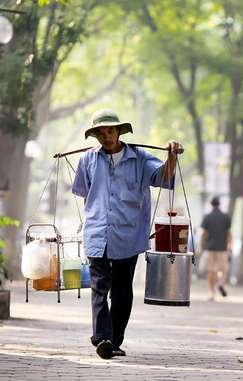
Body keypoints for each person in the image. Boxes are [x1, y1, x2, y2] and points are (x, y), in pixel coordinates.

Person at [71, 108, 184, 359]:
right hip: (97, 233)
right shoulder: (87, 160)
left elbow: (163, 177)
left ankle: (115, 340)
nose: (105, 137)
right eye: (100, 133)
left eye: (110, 131)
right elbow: (85, 196)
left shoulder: (141, 158)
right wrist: (93, 221)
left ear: (119, 131)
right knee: (100, 286)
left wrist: (172, 156)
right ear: (95, 136)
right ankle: (102, 338)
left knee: (122, 289)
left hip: (128, 234)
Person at [199, 196, 232, 301]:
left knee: (211, 271)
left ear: (211, 205)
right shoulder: (226, 217)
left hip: (210, 247)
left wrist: (201, 246)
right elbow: (229, 233)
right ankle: (221, 283)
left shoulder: (207, 217)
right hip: (222, 248)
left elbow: (204, 234)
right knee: (224, 269)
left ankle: (212, 293)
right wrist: (229, 246)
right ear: (219, 204)